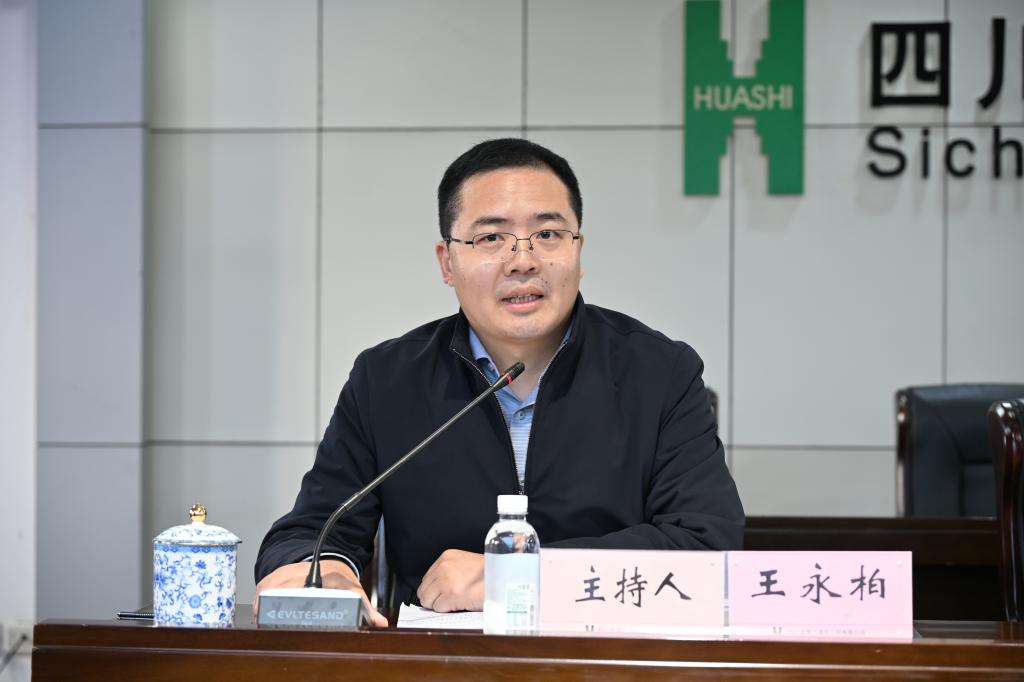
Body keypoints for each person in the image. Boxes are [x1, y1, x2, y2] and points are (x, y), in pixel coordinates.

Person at [255, 138, 744, 626]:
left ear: (578, 250)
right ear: (447, 263)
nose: (522, 261)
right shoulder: (386, 381)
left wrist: (521, 576)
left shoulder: (660, 373)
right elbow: (313, 532)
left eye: (548, 234)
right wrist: (321, 573)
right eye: (491, 238)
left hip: (606, 656)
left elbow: (708, 549)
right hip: (437, 661)